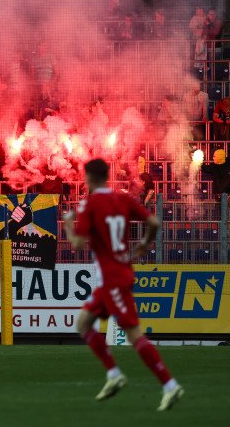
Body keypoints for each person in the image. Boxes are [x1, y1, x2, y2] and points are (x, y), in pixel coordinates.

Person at [64, 158, 183, 411]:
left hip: (113, 280)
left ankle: (170, 385)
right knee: (83, 323)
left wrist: (68, 225)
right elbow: (153, 223)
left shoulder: (89, 204)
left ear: (89, 178)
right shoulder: (124, 199)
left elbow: (77, 244)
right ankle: (114, 374)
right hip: (115, 276)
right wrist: (145, 244)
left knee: (134, 334)